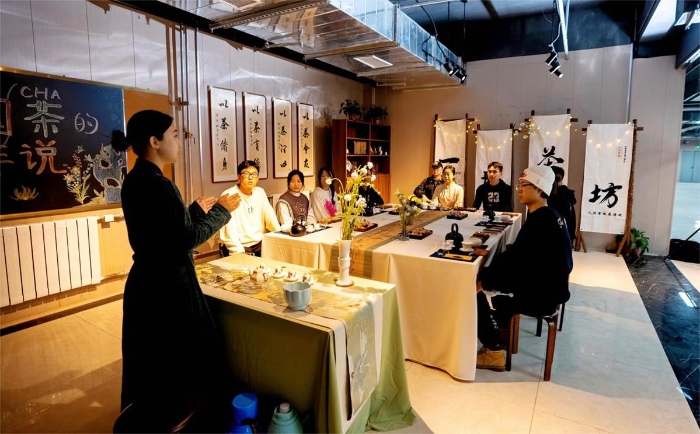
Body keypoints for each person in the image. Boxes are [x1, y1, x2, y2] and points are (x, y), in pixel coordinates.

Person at [113, 110, 241, 414]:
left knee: (152, 360)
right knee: (184, 357)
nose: (179, 142)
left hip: (145, 281)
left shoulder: (134, 180)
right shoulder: (161, 184)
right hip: (170, 285)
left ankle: (154, 416)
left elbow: (163, 234)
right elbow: (185, 239)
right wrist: (221, 211)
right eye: (173, 135)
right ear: (154, 141)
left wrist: (192, 212)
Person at [475, 165, 573, 371]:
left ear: (539, 189)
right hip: (552, 289)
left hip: (541, 295)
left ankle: (493, 351)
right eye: (518, 185)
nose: (519, 189)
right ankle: (499, 334)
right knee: (493, 275)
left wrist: (484, 281)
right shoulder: (551, 216)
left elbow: (517, 263)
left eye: (524, 185)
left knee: (476, 290)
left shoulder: (540, 221)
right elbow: (521, 255)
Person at [219, 160, 280, 256]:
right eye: (246, 174)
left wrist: (279, 236)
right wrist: (238, 252)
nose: (250, 177)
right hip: (240, 247)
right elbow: (230, 230)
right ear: (238, 177)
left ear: (258, 178)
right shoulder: (229, 195)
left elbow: (270, 217)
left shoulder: (260, 192)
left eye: (254, 174)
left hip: (260, 245)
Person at [548, 166, 577, 242]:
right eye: (552, 179)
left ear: (561, 180)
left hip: (563, 235)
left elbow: (569, 218)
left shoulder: (566, 194)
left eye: (557, 179)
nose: (555, 182)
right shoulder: (543, 194)